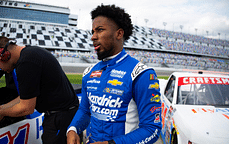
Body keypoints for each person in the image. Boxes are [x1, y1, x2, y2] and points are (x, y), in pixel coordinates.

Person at [67, 4, 162, 144]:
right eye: (92, 32)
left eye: (99, 30)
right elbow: (85, 110)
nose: (93, 37)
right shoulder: (89, 72)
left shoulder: (141, 74)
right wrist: (73, 129)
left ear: (119, 33)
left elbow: (151, 129)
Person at [0, 36, 79, 144]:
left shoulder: (26, 62)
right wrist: (0, 108)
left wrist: (1, 113)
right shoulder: (30, 54)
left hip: (60, 118)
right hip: (62, 116)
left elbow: (26, 108)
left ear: (4, 55)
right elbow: (23, 97)